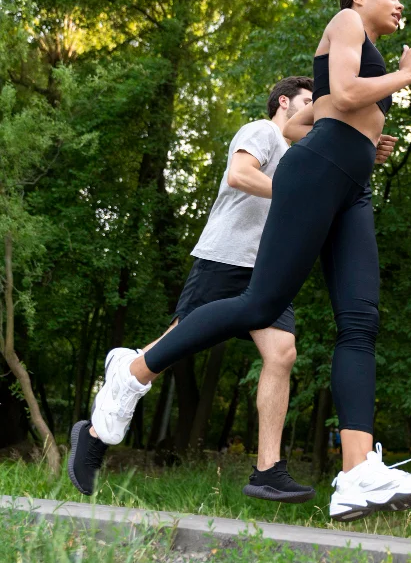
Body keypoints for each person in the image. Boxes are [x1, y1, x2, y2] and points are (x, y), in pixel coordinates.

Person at [81, 0, 411, 522]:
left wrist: (369, 140)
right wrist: (404, 74)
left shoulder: (365, 49)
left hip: (351, 186)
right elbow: (341, 95)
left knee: (362, 323)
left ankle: (356, 472)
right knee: (260, 305)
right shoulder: (346, 24)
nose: (399, 2)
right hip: (317, 175)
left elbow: (301, 122)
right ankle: (133, 373)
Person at [69, 76, 331, 502]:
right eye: (306, 103)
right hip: (226, 257)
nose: (312, 113)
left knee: (282, 354)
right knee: (178, 343)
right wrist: (292, 195)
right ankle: (103, 421)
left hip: (266, 271)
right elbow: (240, 173)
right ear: (283, 102)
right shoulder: (261, 131)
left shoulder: (299, 155)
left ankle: (267, 469)